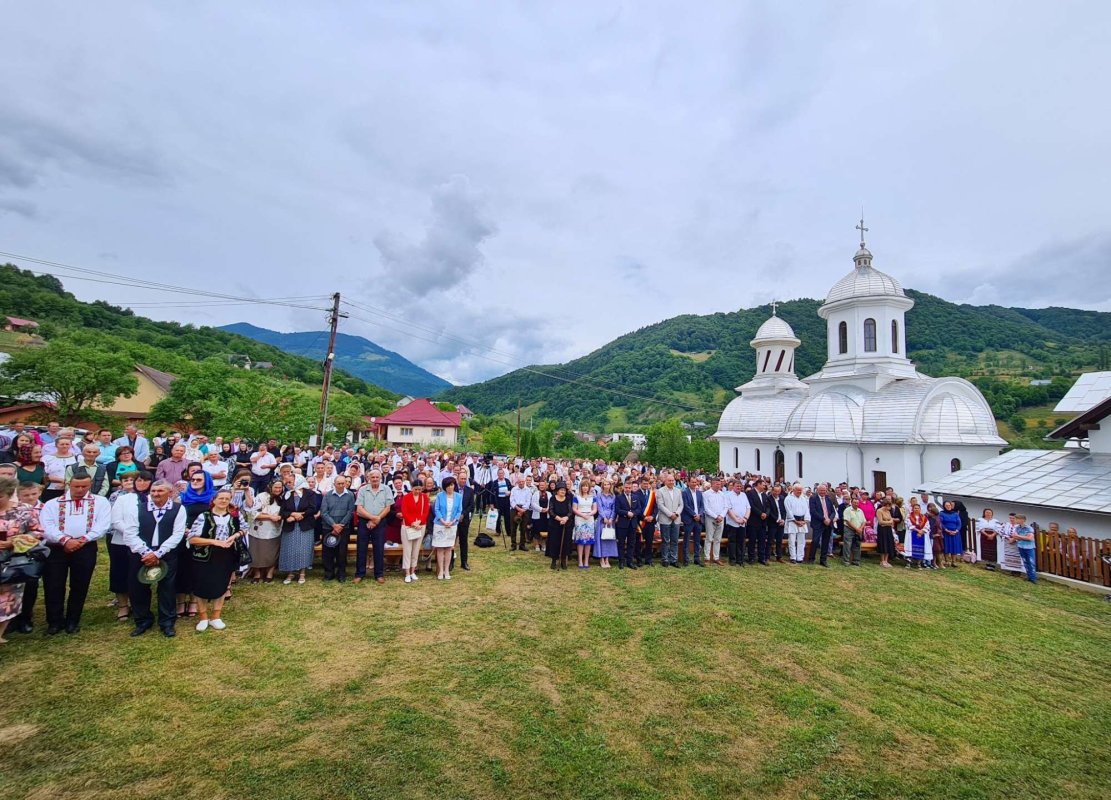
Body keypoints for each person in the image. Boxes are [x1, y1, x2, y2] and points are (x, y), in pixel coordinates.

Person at [40, 467, 112, 634]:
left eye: (84, 487)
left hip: (85, 547)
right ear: (69, 485)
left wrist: (83, 540)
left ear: (90, 485)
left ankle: (73, 619)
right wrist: (64, 540)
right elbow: (46, 526)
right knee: (53, 584)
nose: (80, 490)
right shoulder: (53, 503)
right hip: (58, 547)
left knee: (80, 584)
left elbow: (103, 525)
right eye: (76, 487)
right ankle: (54, 621)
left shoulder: (100, 502)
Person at [118, 478, 186, 637]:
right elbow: (130, 534)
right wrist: (146, 552)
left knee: (167, 588)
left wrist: (158, 553)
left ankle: (167, 622)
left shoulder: (178, 509)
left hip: (166, 553)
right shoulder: (137, 509)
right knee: (138, 587)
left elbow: (177, 534)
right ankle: (142, 620)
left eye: (160, 491)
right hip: (140, 554)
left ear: (169, 493)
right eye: (153, 491)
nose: (156, 494)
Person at [187, 487, 245, 631]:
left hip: (226, 555)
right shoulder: (204, 516)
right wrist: (214, 542)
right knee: (201, 586)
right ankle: (203, 617)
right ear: (214, 500)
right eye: (221, 498)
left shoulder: (234, 516)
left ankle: (216, 616)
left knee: (222, 585)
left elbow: (244, 528)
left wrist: (235, 536)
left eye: (227, 498)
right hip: (205, 555)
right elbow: (192, 539)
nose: (224, 501)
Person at [0, 477, 37, 644]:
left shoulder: (24, 511)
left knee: (8, 598)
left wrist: (12, 543)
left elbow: (37, 533)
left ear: (8, 494)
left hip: (12, 562)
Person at [107, 473, 138, 621]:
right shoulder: (118, 497)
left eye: (134, 480)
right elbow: (115, 520)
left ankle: (137, 603)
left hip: (141, 541)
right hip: (121, 539)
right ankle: (123, 606)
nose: (130, 482)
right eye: (126, 480)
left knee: (137, 573)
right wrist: (130, 532)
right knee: (120, 572)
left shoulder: (146, 497)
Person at [354, 469, 392, 585]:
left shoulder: (386, 489)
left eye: (377, 477)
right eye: (372, 477)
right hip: (364, 522)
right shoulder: (363, 490)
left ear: (380, 478)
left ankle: (379, 574)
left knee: (379, 548)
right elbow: (359, 508)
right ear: (368, 478)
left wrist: (376, 520)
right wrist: (371, 518)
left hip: (380, 522)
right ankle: (360, 573)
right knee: (361, 548)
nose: (375, 479)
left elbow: (388, 508)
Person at [279, 475, 319, 585]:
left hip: (304, 525)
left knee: (303, 550)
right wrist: (292, 514)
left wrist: (301, 515)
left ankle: (302, 573)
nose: (288, 484)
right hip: (291, 526)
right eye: (287, 482)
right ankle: (290, 573)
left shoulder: (309, 493)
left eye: (290, 482)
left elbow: (312, 508)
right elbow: (282, 511)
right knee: (290, 549)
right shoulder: (287, 494)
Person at [247, 478, 284, 583]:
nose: (277, 490)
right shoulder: (261, 496)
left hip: (274, 529)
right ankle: (257, 573)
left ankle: (270, 572)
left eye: (280, 487)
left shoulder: (283, 498)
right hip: (259, 528)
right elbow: (252, 513)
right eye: (275, 487)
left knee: (272, 552)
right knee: (256, 552)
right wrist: (270, 517)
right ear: (270, 487)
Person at [320, 475, 355, 582]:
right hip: (328, 528)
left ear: (346, 483)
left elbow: (351, 511)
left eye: (343, 483)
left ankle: (341, 574)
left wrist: (341, 525)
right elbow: (324, 512)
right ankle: (329, 574)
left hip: (344, 528)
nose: (341, 485)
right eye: (338, 483)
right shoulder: (327, 495)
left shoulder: (350, 495)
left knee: (342, 552)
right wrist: (334, 525)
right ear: (334, 484)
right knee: (328, 552)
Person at [432, 476, 462, 580]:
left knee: (449, 548)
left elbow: (459, 511)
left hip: (452, 525)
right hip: (440, 524)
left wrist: (453, 521)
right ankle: (440, 571)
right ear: (444, 487)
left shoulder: (458, 496)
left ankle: (447, 570)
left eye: (452, 485)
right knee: (440, 548)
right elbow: (437, 509)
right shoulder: (440, 495)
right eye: (448, 486)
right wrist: (443, 521)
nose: (450, 487)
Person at [400, 479, 429, 583]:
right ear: (412, 488)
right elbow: (404, 511)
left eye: (419, 489)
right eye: (415, 489)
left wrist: (419, 522)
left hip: (420, 526)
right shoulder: (406, 497)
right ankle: (407, 572)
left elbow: (426, 511)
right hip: (408, 526)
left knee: (416, 550)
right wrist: (412, 522)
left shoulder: (424, 497)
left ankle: (413, 571)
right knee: (407, 550)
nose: (417, 491)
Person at [655, 471, 683, 568]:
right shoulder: (660, 491)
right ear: (665, 481)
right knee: (665, 540)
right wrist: (670, 514)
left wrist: (676, 513)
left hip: (676, 519)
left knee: (674, 540)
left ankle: (673, 559)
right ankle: (665, 559)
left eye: (673, 480)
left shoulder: (678, 491)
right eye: (669, 480)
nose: (671, 482)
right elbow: (660, 505)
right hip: (665, 519)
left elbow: (681, 504)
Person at [807, 484, 836, 568]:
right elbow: (813, 511)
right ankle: (811, 559)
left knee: (826, 542)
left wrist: (829, 519)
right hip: (818, 523)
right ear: (817, 490)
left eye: (824, 490)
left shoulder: (828, 499)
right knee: (815, 541)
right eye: (821, 490)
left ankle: (823, 560)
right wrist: (823, 519)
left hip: (828, 523)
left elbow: (833, 511)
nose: (823, 492)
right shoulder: (813, 499)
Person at [42, 433, 78, 502]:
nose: (64, 446)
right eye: (62, 444)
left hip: (71, 489)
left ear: (71, 445)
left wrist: (67, 484)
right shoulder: (47, 458)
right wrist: (63, 481)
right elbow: (44, 475)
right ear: (56, 445)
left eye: (67, 444)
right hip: (51, 489)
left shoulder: (77, 458)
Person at [546, 481, 573, 571]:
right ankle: (554, 560)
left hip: (566, 524)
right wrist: (559, 519)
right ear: (557, 490)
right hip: (555, 523)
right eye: (561, 490)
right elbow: (551, 511)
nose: (563, 491)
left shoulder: (568, 499)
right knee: (554, 542)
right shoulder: (553, 499)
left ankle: (563, 560)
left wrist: (565, 518)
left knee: (565, 542)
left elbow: (570, 511)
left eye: (564, 490)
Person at [572, 477, 598, 569]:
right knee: (580, 541)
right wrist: (582, 515)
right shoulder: (576, 497)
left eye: (586, 486)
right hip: (580, 519)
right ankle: (580, 560)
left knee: (588, 541)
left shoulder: (593, 497)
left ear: (589, 487)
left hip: (589, 519)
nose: (585, 488)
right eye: (583, 486)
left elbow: (595, 509)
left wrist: (589, 514)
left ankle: (586, 560)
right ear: (581, 487)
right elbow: (574, 509)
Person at [701, 477, 727, 565]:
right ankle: (707, 558)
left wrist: (721, 516)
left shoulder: (722, 494)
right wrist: (716, 516)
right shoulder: (706, 494)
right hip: (710, 518)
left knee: (717, 539)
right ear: (712, 484)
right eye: (717, 484)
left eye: (720, 484)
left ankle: (716, 558)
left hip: (721, 519)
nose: (718, 485)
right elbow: (706, 508)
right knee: (709, 538)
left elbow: (726, 507)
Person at [725, 480, 750, 567]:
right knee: (732, 542)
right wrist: (736, 519)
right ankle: (732, 559)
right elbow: (729, 509)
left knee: (741, 541)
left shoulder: (744, 495)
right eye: (737, 486)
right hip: (732, 522)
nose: (739, 488)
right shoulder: (728, 495)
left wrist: (745, 518)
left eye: (740, 486)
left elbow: (748, 508)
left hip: (743, 522)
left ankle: (740, 559)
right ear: (733, 486)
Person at [594, 478, 617, 569]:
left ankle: (607, 558)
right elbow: (599, 507)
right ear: (602, 485)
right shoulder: (599, 495)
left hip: (611, 520)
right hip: (602, 519)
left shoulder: (613, 496)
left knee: (608, 538)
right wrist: (604, 517)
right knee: (601, 538)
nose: (606, 486)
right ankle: (601, 559)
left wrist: (611, 518)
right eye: (605, 484)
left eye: (608, 484)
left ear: (610, 486)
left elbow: (614, 508)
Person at [783, 483, 809, 563]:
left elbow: (807, 510)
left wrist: (805, 521)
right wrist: (795, 521)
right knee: (792, 540)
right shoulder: (788, 499)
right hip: (793, 521)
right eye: (798, 490)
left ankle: (800, 557)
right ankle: (793, 557)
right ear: (793, 490)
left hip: (802, 521)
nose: (799, 491)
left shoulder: (804, 498)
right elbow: (788, 511)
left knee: (801, 541)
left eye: (800, 490)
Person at [454, 467, 474, 571]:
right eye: (461, 478)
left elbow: (471, 506)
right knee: (452, 541)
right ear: (457, 479)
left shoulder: (470, 491)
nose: (463, 480)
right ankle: (451, 562)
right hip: (453, 519)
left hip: (464, 519)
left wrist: (463, 514)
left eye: (464, 479)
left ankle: (464, 562)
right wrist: (457, 516)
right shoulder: (452, 489)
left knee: (463, 541)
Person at [904, 499, 932, 569]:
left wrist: (922, 531)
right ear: (913, 509)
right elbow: (908, 524)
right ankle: (908, 563)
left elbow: (927, 525)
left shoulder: (924, 517)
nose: (916, 509)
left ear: (920, 509)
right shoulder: (909, 516)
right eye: (915, 508)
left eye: (918, 508)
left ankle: (919, 563)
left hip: (921, 535)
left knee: (921, 549)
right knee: (910, 548)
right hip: (912, 534)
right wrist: (917, 530)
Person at [1009, 513, 1037, 583]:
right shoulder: (1017, 528)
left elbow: (1030, 538)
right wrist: (1013, 539)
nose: (1015, 520)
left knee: (1031, 562)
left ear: (1022, 520)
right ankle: (1029, 576)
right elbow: (1014, 536)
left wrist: (1018, 536)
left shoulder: (1028, 528)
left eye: (1016, 519)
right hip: (1021, 547)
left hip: (1029, 548)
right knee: (1025, 562)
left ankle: (1033, 578)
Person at [509, 475, 532, 552]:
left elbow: (528, 501)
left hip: (525, 510)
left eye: (522, 481)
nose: (521, 483)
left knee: (523, 528)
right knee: (513, 528)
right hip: (515, 509)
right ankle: (513, 545)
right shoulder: (513, 489)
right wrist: (518, 509)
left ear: (524, 482)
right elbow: (511, 500)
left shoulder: (528, 490)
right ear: (517, 482)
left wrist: (522, 510)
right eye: (520, 482)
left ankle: (522, 545)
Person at [841, 496, 865, 567]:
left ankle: (856, 560)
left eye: (857, 503)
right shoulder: (847, 510)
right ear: (851, 502)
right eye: (854, 502)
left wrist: (860, 529)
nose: (856, 504)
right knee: (847, 545)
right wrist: (856, 529)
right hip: (849, 529)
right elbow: (847, 521)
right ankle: (846, 561)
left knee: (857, 546)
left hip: (858, 530)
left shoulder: (860, 511)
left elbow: (864, 521)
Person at [940, 500, 964, 568]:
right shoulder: (941, 513)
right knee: (946, 546)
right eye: (946, 506)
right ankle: (947, 561)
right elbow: (941, 523)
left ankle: (954, 561)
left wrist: (956, 530)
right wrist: (946, 530)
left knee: (954, 547)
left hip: (955, 533)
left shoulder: (955, 514)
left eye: (949, 505)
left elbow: (959, 523)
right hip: (946, 532)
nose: (948, 507)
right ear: (944, 506)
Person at [875, 498, 896, 568]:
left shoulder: (889, 512)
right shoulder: (879, 511)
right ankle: (882, 560)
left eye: (889, 506)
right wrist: (889, 522)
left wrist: (887, 523)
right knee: (883, 543)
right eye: (886, 506)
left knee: (888, 543)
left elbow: (891, 521)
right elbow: (881, 522)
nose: (888, 507)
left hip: (888, 529)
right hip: (882, 530)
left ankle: (886, 560)